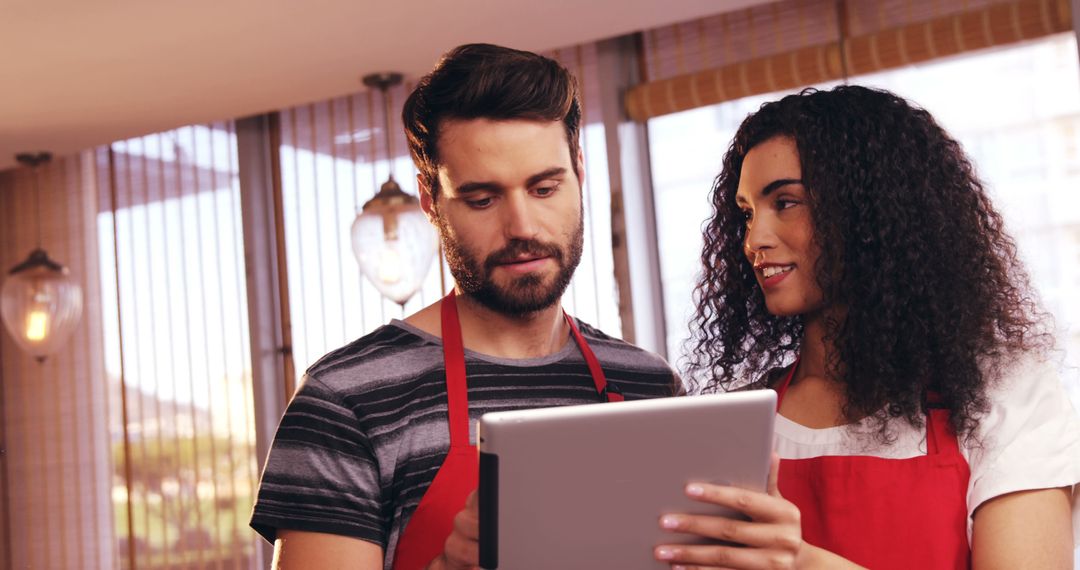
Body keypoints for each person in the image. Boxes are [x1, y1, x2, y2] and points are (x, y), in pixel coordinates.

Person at [249, 43, 680, 570]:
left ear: (579, 174)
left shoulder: (650, 386)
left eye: (544, 188)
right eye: (482, 199)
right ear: (431, 202)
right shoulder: (345, 401)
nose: (522, 226)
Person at [653, 85, 1080, 569]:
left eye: (786, 202)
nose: (754, 239)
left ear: (869, 211)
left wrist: (803, 563)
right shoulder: (737, 422)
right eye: (747, 213)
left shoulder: (1005, 395)